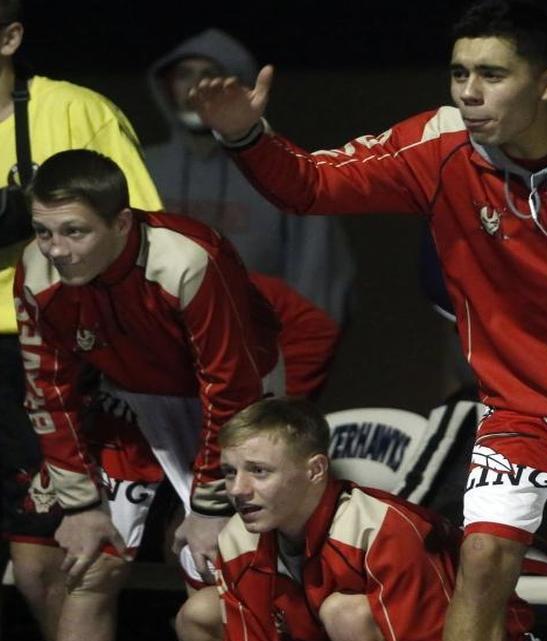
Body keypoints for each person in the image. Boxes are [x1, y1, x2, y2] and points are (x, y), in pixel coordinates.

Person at [189, 0, 547, 638]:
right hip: (519, 402)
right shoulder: (439, 145)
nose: (469, 92)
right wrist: (246, 134)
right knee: (483, 558)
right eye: (459, 74)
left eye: (491, 75)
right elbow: (310, 185)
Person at [16, 149, 280, 639]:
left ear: (120, 223)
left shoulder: (187, 257)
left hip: (239, 403)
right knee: (85, 566)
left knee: (213, 568)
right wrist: (80, 505)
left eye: (75, 231)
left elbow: (229, 390)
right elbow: (50, 391)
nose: (56, 249)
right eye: (43, 230)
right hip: (132, 396)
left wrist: (209, 506)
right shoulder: (36, 270)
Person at [0, 1, 163, 638]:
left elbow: (139, 232)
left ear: (10, 36)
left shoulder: (74, 110)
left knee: (51, 560)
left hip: (48, 355)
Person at [177, 398, 534, 641]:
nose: (238, 489)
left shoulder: (385, 529)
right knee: (200, 610)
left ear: (316, 470)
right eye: (228, 472)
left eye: (259, 471)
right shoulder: (239, 538)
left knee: (346, 613)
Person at [146, 28, 354, 323]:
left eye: (210, 72)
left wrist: (303, 349)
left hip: (256, 342)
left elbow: (318, 270)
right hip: (158, 342)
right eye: (184, 74)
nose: (196, 85)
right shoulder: (143, 165)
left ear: (239, 83)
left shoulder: (281, 167)